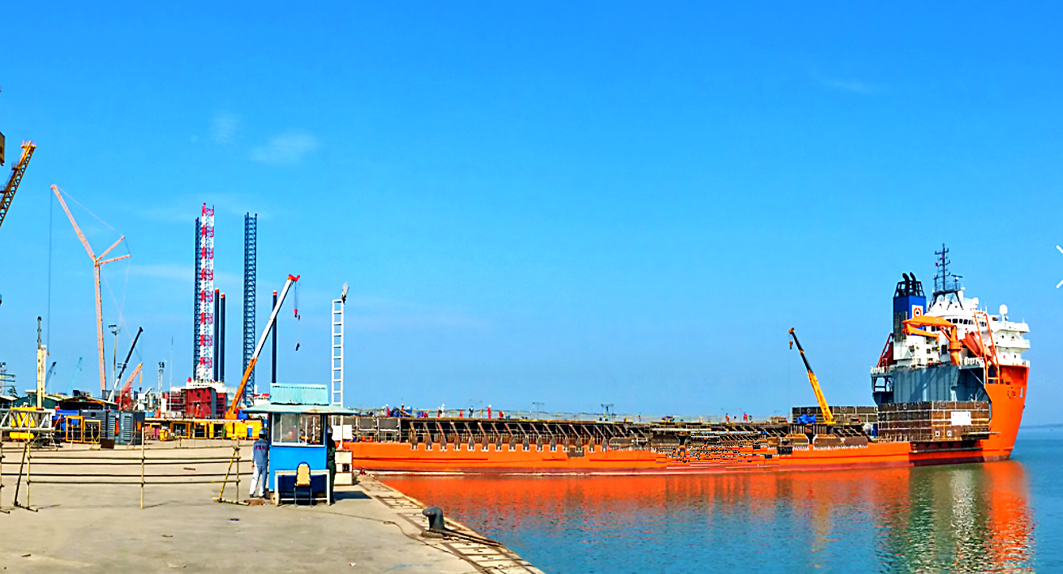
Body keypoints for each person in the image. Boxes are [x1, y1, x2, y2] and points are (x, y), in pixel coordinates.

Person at [250, 427, 269, 499]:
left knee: (255, 477)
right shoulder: (266, 444)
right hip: (264, 462)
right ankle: (261, 493)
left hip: (257, 462)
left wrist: (252, 461)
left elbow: (253, 453)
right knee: (263, 478)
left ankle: (251, 492)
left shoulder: (256, 443)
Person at [325, 427, 337, 504]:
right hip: (331, 462)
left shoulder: (325, 443)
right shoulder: (332, 443)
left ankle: (329, 496)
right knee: (330, 481)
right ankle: (330, 496)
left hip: (328, 462)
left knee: (329, 481)